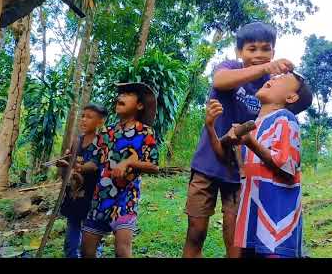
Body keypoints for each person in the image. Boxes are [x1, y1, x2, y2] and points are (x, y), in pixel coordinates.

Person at [183, 21, 295, 258]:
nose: (259, 55)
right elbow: (219, 81)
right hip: (208, 163)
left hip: (241, 172)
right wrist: (266, 69)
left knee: (236, 238)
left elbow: (287, 109)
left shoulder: (272, 86)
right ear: (239, 52)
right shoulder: (230, 68)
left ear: (273, 52)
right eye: (251, 49)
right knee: (196, 231)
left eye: (266, 49)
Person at [205, 70, 313, 258]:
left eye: (281, 79)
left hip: (277, 219)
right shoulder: (254, 125)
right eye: (275, 77)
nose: (273, 78)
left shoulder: (285, 119)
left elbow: (287, 168)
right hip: (251, 216)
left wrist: (249, 142)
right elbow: (224, 156)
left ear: (291, 97)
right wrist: (210, 127)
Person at [81, 82, 159, 258]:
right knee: (86, 251)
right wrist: (77, 167)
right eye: (120, 94)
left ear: (139, 105)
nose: (121, 97)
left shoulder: (145, 132)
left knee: (123, 251)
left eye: (128, 94)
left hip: (126, 200)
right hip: (100, 198)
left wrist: (128, 164)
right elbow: (93, 162)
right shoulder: (106, 132)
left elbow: (153, 165)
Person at [57, 103, 107, 258]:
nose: (84, 120)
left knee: (90, 231)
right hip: (74, 193)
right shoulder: (77, 141)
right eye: (83, 116)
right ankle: (71, 254)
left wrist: (74, 165)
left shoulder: (102, 142)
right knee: (72, 226)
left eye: (89, 117)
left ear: (100, 122)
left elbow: (93, 165)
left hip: (92, 194)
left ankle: (93, 253)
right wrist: (65, 162)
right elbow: (67, 167)